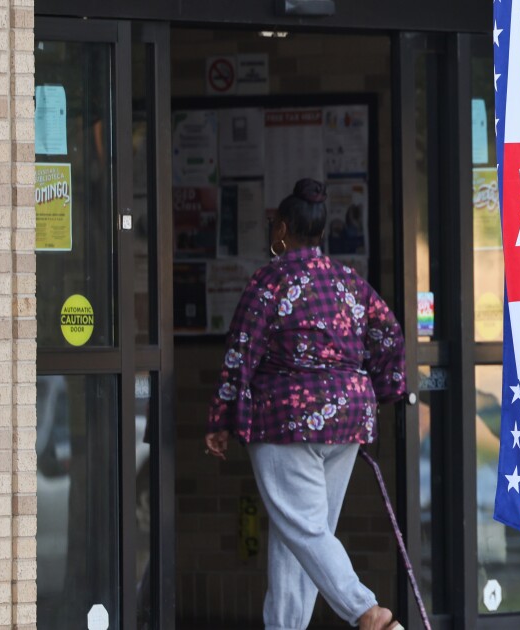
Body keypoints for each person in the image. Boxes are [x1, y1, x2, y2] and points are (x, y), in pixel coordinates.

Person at [205, 178, 407, 630]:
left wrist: (221, 418)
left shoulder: (269, 280)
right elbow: (390, 334)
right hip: (347, 420)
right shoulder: (349, 280)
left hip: (287, 421)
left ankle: (368, 612)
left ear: (282, 229)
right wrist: (376, 392)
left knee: (305, 531)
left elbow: (241, 351)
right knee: (300, 535)